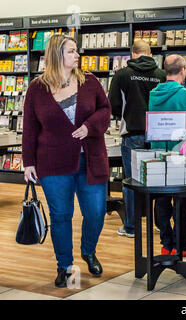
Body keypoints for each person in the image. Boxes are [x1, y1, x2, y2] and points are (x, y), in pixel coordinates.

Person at [22, 34, 111, 287]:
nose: (77, 55)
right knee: (61, 215)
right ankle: (65, 267)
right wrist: (28, 162)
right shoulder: (36, 89)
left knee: (96, 212)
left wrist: (89, 126)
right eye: (72, 51)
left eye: (76, 51)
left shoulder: (90, 82)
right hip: (52, 163)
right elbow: (29, 128)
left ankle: (88, 250)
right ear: (56, 55)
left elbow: (105, 110)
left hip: (90, 160)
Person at [109, 40, 166, 238]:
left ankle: (131, 227)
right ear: (150, 54)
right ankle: (161, 223)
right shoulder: (161, 75)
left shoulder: (122, 74)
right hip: (158, 133)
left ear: (132, 54)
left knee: (132, 181)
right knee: (159, 179)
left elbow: (114, 105)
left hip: (132, 133)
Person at [148, 54, 186, 256]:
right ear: (183, 70)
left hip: (158, 154)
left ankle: (166, 243)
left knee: (161, 200)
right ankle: (181, 244)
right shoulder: (185, 95)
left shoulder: (154, 93)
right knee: (182, 201)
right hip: (181, 155)